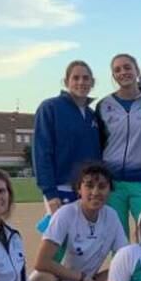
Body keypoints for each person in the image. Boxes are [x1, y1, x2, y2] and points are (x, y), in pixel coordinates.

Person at [29, 163, 127, 281]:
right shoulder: (65, 214)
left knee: (126, 280)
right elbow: (41, 262)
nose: (96, 192)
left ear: (109, 190)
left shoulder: (111, 216)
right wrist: (83, 278)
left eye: (102, 186)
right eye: (89, 185)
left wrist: (114, 278)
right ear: (78, 189)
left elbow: (125, 258)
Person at [96, 54, 141, 236]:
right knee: (118, 237)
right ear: (113, 75)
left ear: (137, 70)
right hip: (112, 184)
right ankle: (122, 266)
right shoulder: (104, 105)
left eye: (127, 67)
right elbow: (98, 142)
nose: (123, 72)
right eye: (117, 70)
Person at [33, 60, 102, 212]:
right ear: (66, 82)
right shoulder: (50, 108)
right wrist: (50, 192)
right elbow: (42, 152)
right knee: (60, 235)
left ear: (92, 82)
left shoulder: (92, 115)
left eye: (85, 78)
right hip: (61, 188)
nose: (81, 82)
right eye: (75, 78)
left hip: (89, 189)